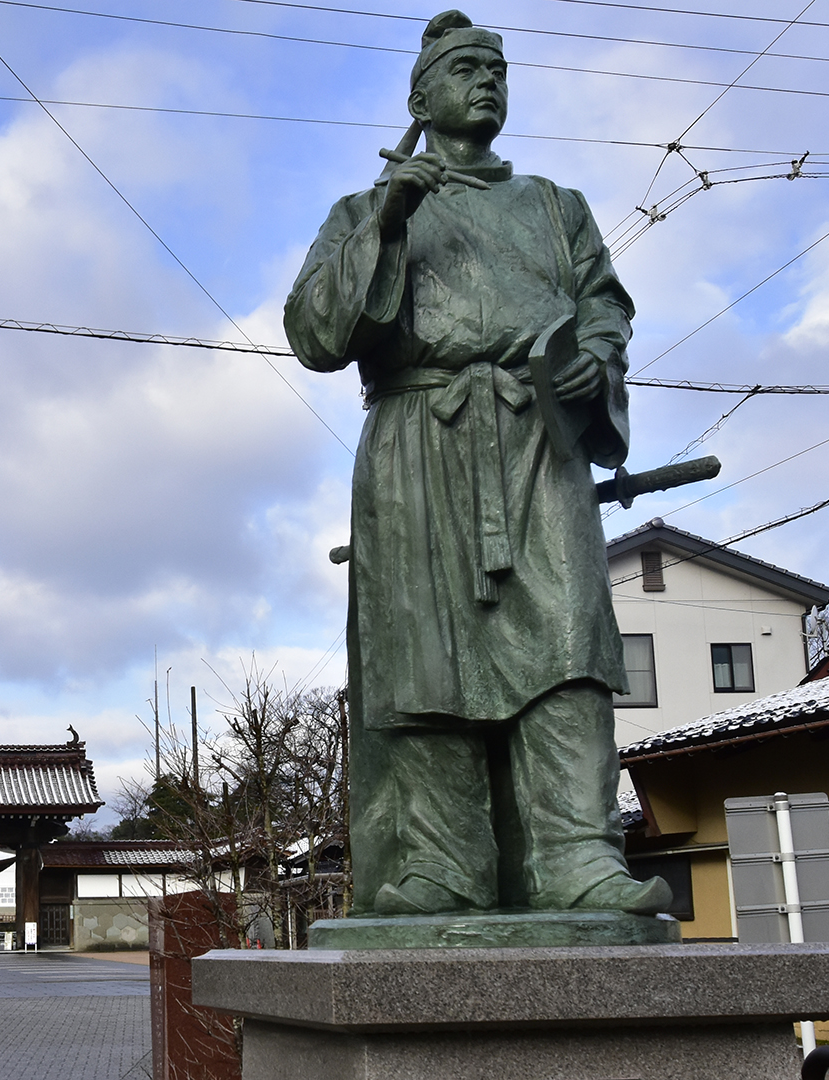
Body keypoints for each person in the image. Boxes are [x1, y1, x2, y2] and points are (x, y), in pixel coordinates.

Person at [284, 11, 669, 917]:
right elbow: (314, 334)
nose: (486, 81)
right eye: (463, 68)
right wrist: (386, 218)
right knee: (428, 657)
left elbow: (605, 306)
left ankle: (576, 855)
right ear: (419, 98)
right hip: (420, 438)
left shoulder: (554, 205)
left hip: (540, 433)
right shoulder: (364, 209)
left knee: (570, 642)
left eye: (496, 68)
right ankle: (446, 865)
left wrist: (594, 361)